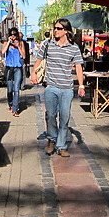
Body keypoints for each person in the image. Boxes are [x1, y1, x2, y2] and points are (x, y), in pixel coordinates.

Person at [31, 18, 85, 158]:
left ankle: (61, 146)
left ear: (66, 31)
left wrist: (81, 85)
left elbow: (79, 67)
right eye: (54, 28)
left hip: (67, 88)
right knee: (50, 115)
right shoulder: (48, 44)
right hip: (51, 87)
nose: (55, 30)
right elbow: (39, 60)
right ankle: (51, 140)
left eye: (59, 28)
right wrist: (33, 73)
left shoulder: (74, 48)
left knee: (65, 118)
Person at [4, 27, 26, 116]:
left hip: (18, 68)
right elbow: (3, 51)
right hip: (9, 68)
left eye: (14, 34)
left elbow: (24, 56)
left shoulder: (21, 43)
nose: (13, 36)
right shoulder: (6, 43)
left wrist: (18, 47)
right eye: (11, 34)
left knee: (16, 89)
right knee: (10, 89)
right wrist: (9, 42)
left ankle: (15, 108)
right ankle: (10, 104)